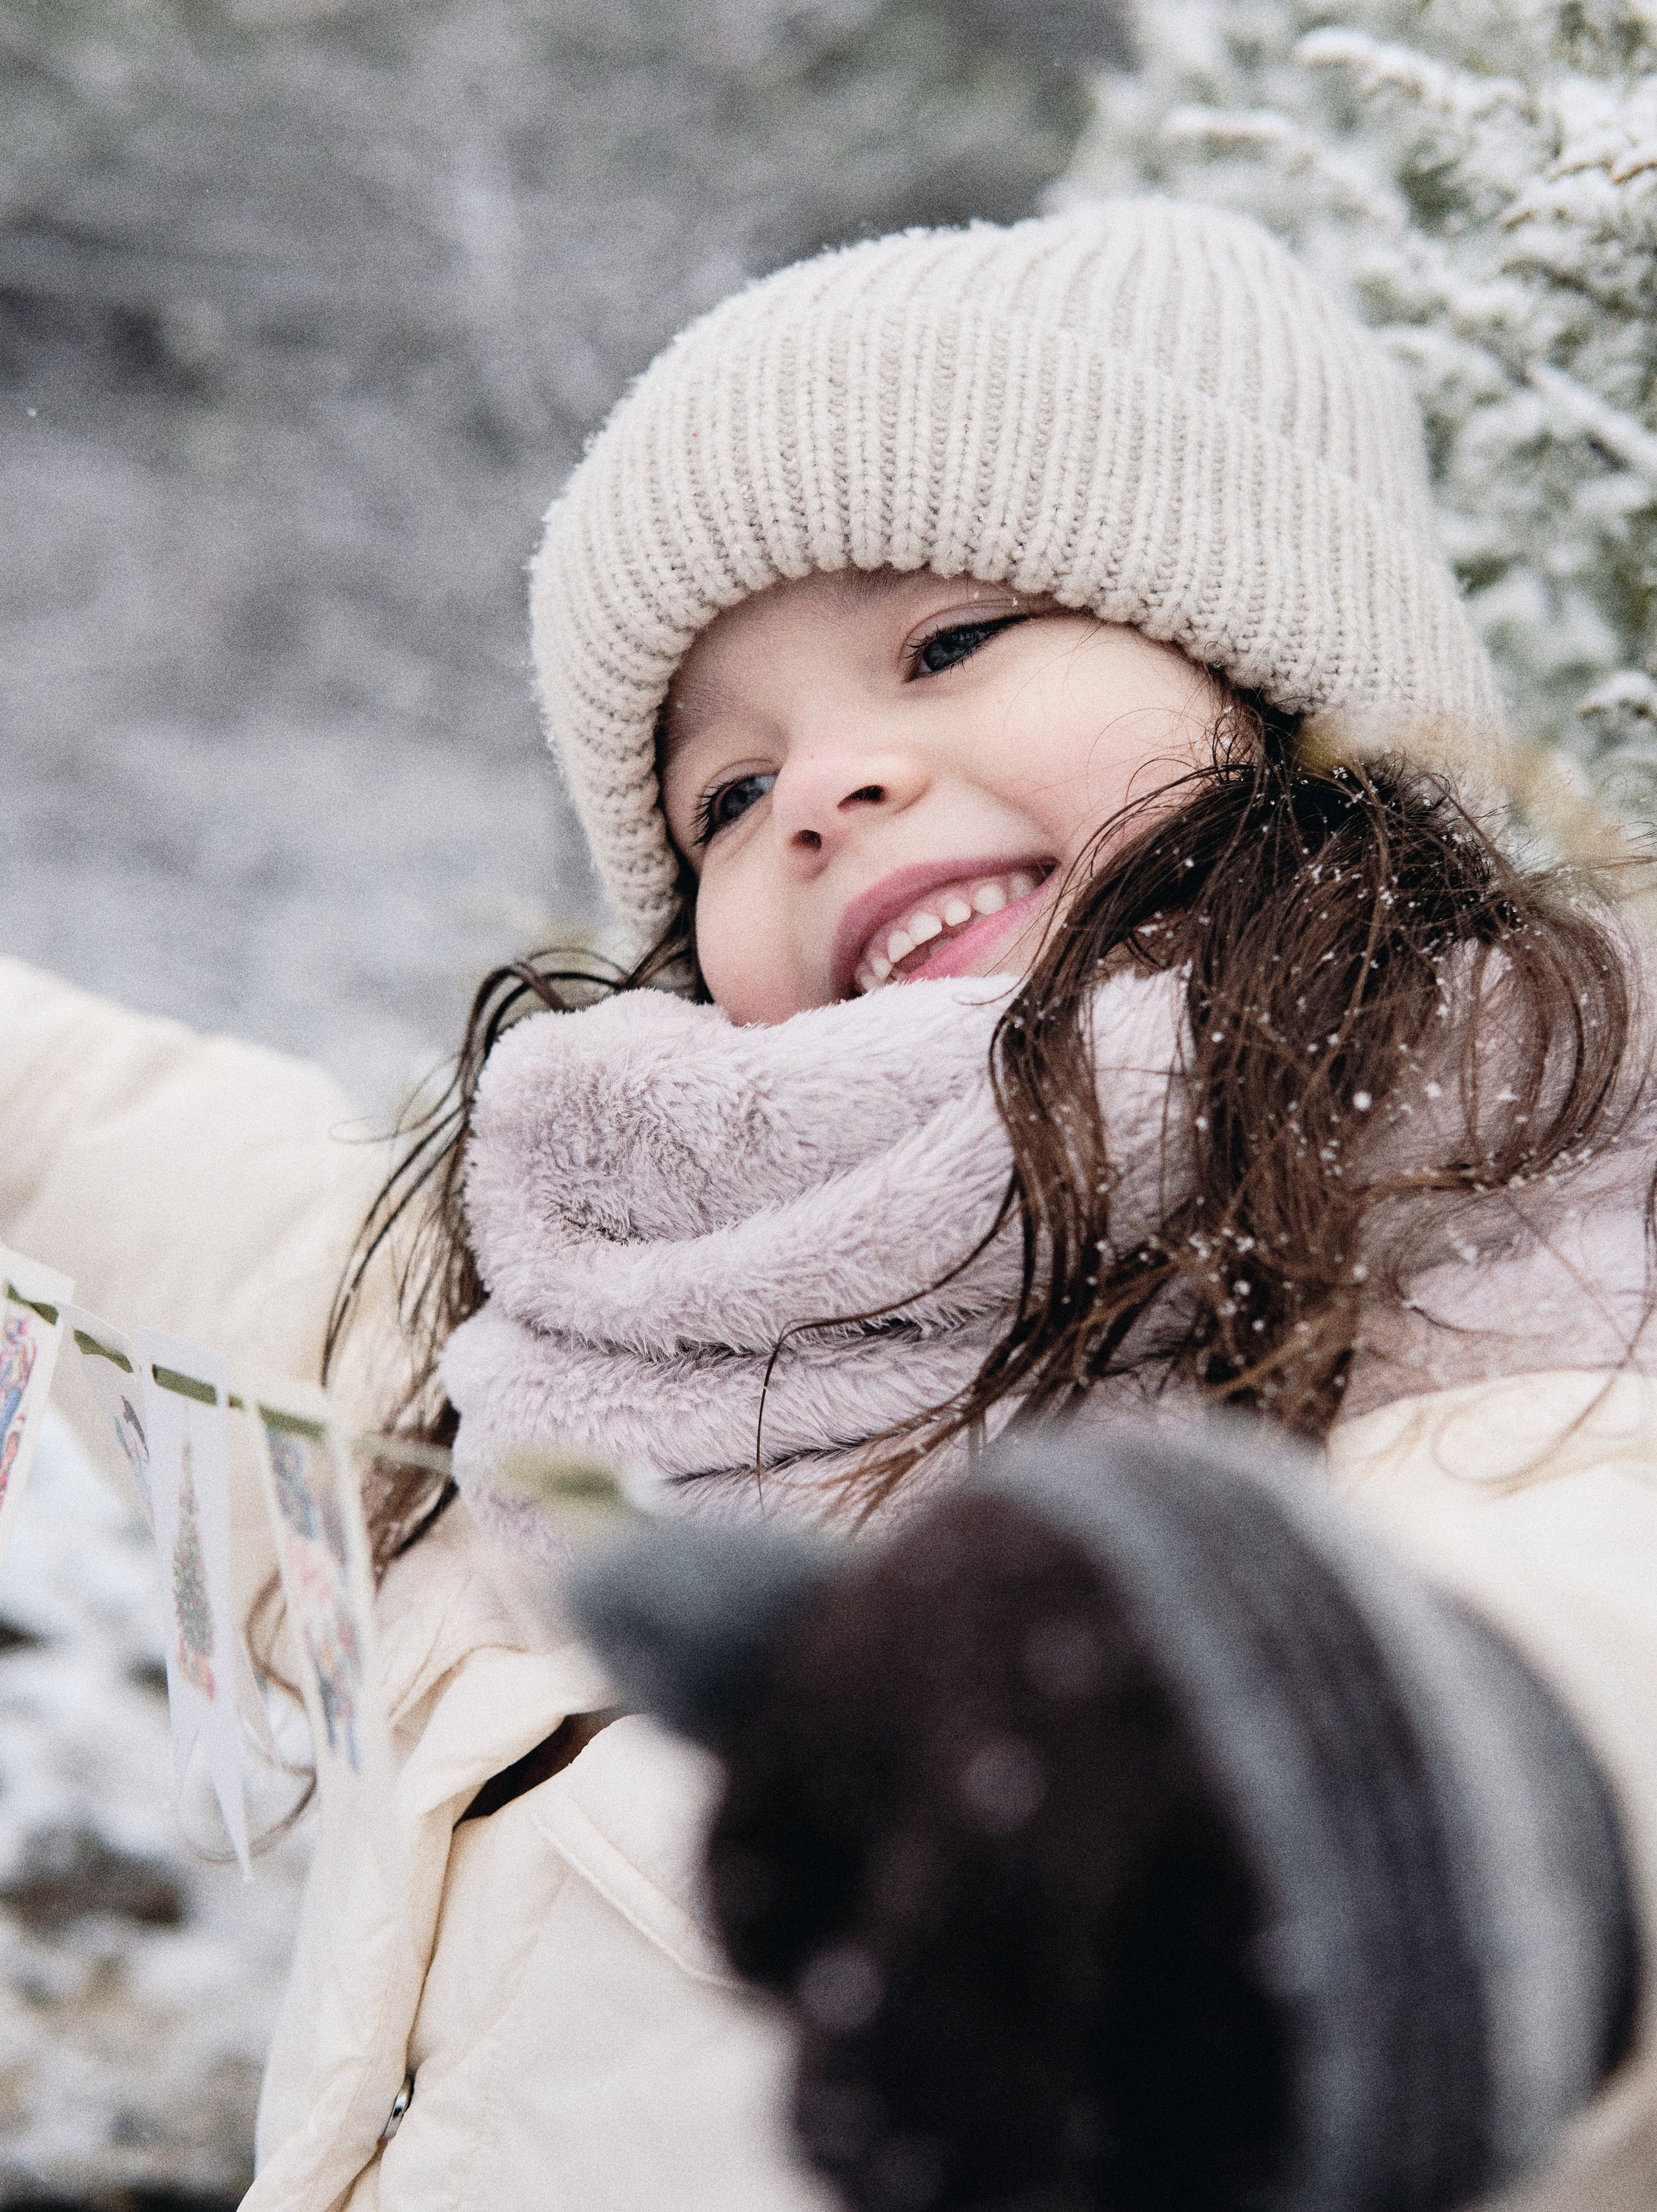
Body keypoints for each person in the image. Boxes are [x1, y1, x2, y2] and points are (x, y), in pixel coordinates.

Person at [1, 201, 1654, 2211]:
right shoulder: (557, 1344)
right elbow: (117, 1155)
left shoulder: (1539, 1257)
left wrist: (1321, 1773)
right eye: (720, 793)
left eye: (949, 642)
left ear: (1283, 671)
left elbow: (1586, 1634)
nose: (821, 792)